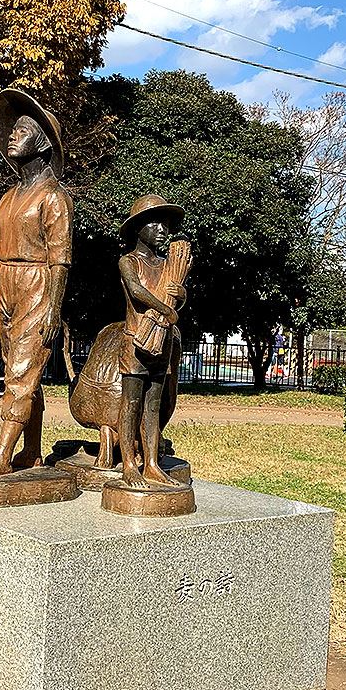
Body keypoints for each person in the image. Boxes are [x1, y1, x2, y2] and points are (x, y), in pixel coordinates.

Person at [0, 90, 71, 478]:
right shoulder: (8, 197)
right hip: (3, 280)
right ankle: (32, 451)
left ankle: (2, 455)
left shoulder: (54, 197)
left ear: (41, 141)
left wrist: (54, 309)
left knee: (22, 370)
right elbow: (2, 253)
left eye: (22, 129)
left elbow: (60, 259)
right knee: (19, 370)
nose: (12, 135)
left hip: (37, 285)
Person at [115, 195, 187, 488]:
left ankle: (153, 463)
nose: (163, 230)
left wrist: (180, 297)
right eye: (155, 223)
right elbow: (135, 290)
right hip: (136, 342)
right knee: (131, 403)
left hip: (162, 342)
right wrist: (166, 308)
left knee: (153, 406)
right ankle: (130, 463)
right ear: (138, 228)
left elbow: (177, 294)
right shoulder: (128, 261)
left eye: (166, 225)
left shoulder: (167, 264)